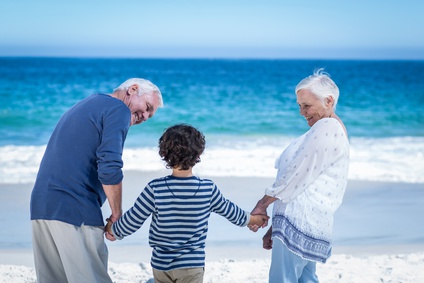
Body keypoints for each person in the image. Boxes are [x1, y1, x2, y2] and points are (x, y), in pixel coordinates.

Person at [30, 78, 163, 283]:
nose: (144, 116)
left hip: (41, 206)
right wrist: (116, 214)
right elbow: (109, 166)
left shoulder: (87, 103)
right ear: (132, 90)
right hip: (73, 208)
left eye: (149, 115)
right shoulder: (118, 109)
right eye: (147, 107)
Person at [104, 124, 269, 283]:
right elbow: (234, 214)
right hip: (192, 265)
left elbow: (132, 221)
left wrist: (113, 229)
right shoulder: (207, 189)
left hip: (162, 264)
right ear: (199, 154)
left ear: (164, 154)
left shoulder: (155, 188)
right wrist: (256, 220)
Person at [249, 69, 350, 282]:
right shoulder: (329, 127)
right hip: (304, 222)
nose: (302, 112)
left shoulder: (328, 126)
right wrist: (276, 226)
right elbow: (306, 180)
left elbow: (296, 175)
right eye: (299, 105)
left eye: (307, 105)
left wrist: (262, 204)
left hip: (300, 222)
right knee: (306, 279)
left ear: (328, 101)